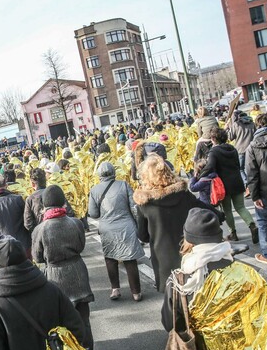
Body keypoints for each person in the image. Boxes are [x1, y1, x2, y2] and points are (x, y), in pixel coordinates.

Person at [161, 208, 267, 350]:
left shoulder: (180, 282)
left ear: (189, 240)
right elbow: (265, 317)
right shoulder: (246, 274)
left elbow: (170, 323)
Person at [134, 154, 218, 292]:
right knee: (195, 293)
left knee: (171, 298)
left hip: (163, 257)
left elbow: (143, 236)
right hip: (189, 250)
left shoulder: (144, 204)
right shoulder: (183, 194)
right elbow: (208, 211)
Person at [31, 185, 94, 350]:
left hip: (54, 276)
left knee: (60, 321)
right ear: (63, 201)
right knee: (83, 319)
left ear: (45, 204)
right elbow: (81, 247)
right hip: (77, 271)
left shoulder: (40, 229)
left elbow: (37, 257)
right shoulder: (75, 223)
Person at [88, 162, 144, 301]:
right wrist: (139, 225)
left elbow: (93, 213)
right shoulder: (124, 185)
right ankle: (136, 292)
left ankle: (115, 289)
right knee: (130, 259)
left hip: (107, 228)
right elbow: (134, 206)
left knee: (110, 258)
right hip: (126, 226)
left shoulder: (94, 190)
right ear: (114, 172)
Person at [200, 128, 258, 243]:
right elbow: (237, 164)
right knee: (241, 207)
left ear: (213, 139)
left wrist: (199, 175)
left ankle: (233, 234)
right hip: (237, 181)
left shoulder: (214, 152)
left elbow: (210, 166)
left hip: (223, 185)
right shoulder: (232, 149)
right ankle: (252, 226)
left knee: (227, 210)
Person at [246, 113, 267, 264]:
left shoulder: (253, 146)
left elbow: (251, 174)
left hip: (264, 193)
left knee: (263, 224)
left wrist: (255, 197)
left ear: (258, 126)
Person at [0, 174, 31, 255]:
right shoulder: (18, 199)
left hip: (4, 248)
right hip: (24, 244)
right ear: (7, 186)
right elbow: (27, 219)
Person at [24, 167, 74, 232]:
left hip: (42, 233)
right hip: (62, 231)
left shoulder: (30, 199)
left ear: (32, 183)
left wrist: (39, 231)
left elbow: (28, 224)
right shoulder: (55, 192)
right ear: (45, 180)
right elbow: (70, 212)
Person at [227, 110, 256, 190]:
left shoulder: (236, 124)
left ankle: (247, 183)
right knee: (250, 167)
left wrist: (229, 128)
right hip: (251, 148)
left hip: (240, 150)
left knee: (240, 168)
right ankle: (252, 184)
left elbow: (230, 137)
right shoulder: (252, 123)